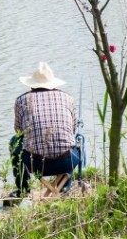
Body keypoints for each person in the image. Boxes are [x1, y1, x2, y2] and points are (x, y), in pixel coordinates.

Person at [9, 62, 82, 196]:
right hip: (67, 162)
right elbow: (72, 129)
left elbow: (18, 131)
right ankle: (65, 186)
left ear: (31, 85)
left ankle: (23, 189)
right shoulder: (68, 98)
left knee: (14, 142)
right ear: (53, 84)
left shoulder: (21, 100)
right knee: (77, 141)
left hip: (35, 165)